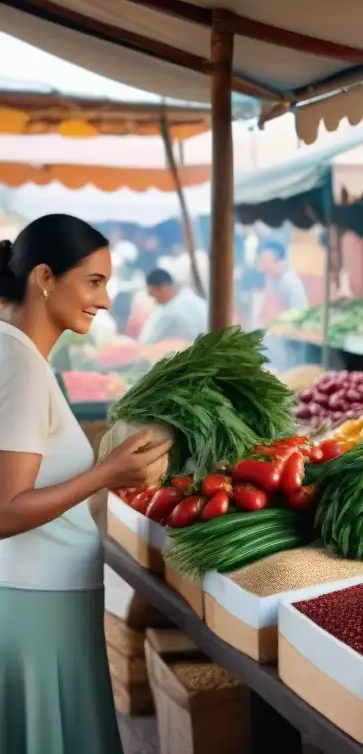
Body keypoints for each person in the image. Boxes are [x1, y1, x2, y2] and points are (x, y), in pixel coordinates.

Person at [0, 214, 173, 754]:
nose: (104, 301)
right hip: (37, 608)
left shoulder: (15, 354)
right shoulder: (20, 364)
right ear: (45, 278)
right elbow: (5, 511)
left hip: (38, 601)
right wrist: (107, 473)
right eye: (93, 281)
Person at [139, 267, 208, 345]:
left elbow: (147, 341)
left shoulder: (172, 311)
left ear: (162, 289)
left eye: (152, 293)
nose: (153, 299)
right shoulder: (189, 296)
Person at [256, 239, 308, 326]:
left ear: (279, 263)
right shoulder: (270, 279)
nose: (262, 268)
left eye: (266, 262)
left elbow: (300, 313)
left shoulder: (290, 281)